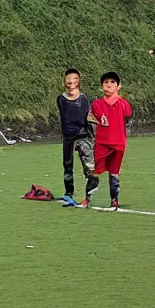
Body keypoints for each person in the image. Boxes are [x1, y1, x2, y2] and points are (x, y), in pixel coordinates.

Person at [89, 72, 132, 210]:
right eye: (106, 82)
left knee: (114, 172)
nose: (109, 84)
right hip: (102, 142)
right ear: (102, 86)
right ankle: (87, 198)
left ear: (118, 86)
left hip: (119, 142)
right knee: (96, 170)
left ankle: (114, 200)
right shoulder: (96, 104)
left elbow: (127, 115)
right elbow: (91, 118)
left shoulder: (123, 104)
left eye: (113, 82)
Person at [56, 69, 98, 207]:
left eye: (74, 81)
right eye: (68, 82)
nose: (71, 84)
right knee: (67, 165)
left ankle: (91, 191)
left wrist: (94, 134)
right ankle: (69, 193)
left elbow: (87, 117)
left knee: (89, 165)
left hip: (83, 135)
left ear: (78, 82)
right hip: (68, 137)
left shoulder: (83, 99)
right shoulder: (61, 99)